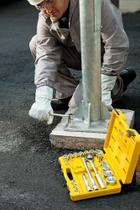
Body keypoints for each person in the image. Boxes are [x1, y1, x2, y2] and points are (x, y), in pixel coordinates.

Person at [27, 0, 136, 124]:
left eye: (50, 1)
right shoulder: (45, 16)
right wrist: (43, 95)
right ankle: (67, 93)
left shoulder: (94, 4)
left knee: (78, 106)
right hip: (78, 54)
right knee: (36, 43)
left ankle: (118, 83)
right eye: (40, 5)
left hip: (100, 58)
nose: (48, 9)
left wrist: (105, 85)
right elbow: (46, 55)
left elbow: (116, 43)